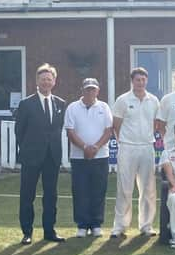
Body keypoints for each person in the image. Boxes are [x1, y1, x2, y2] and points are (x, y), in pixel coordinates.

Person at [15, 63, 66, 245]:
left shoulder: (60, 103)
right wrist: (29, 148)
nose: (46, 82)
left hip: (51, 157)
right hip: (31, 157)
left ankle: (49, 231)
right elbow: (19, 131)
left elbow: (58, 129)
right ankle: (27, 232)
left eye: (49, 79)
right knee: (27, 195)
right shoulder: (26, 104)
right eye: (43, 79)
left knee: (51, 195)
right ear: (37, 81)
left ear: (54, 81)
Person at [110, 67, 160, 238]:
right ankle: (120, 226)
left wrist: (144, 137)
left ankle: (146, 225)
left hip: (147, 146)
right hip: (127, 147)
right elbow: (116, 125)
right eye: (137, 80)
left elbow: (155, 124)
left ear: (147, 81)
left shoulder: (153, 100)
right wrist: (125, 140)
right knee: (124, 188)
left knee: (148, 188)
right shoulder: (122, 100)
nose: (140, 83)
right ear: (132, 81)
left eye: (143, 80)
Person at [64, 78, 113, 238]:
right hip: (79, 157)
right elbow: (70, 131)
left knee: (98, 190)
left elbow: (108, 131)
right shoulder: (72, 108)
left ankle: (96, 224)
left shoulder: (104, 107)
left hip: (101, 156)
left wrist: (96, 147)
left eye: (93, 89)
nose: (90, 92)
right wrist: (85, 147)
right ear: (82, 90)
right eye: (87, 89)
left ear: (97, 91)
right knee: (80, 190)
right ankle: (82, 225)